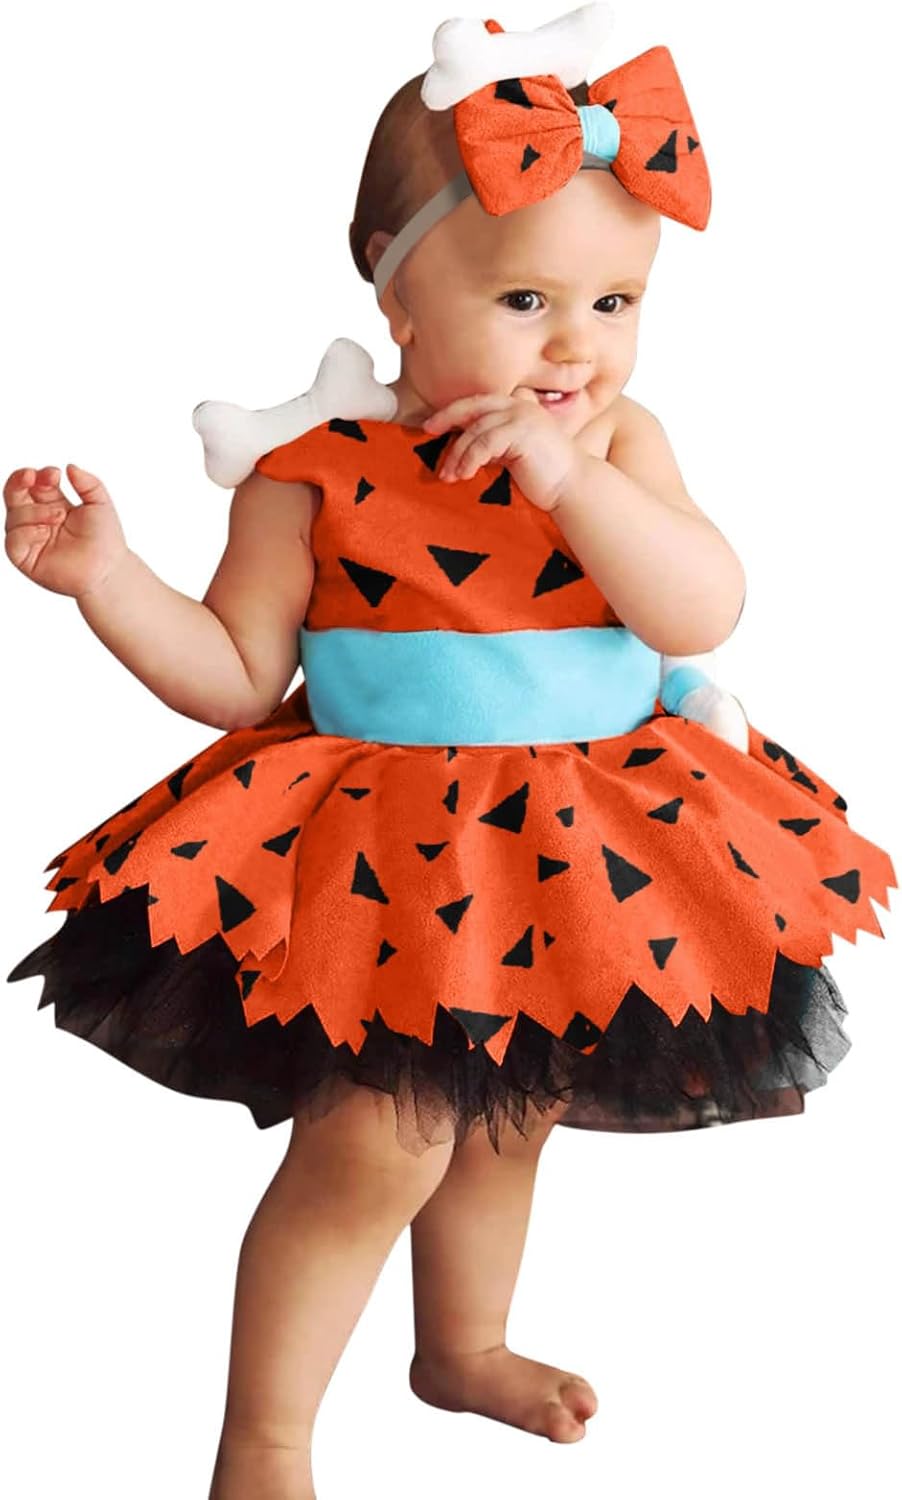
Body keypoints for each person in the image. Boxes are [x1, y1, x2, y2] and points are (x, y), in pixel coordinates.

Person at [3, 9, 897, 1499]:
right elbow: (236, 677)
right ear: (396, 289)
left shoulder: (617, 446)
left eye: (615, 301)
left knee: (509, 1113)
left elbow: (698, 606)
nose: (576, 343)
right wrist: (108, 579)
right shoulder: (311, 472)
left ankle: (461, 1346)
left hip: (587, 835)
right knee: (381, 1141)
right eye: (527, 297)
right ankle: (265, 1438)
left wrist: (567, 482)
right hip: (390, 855)